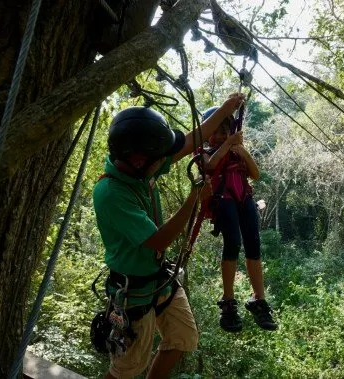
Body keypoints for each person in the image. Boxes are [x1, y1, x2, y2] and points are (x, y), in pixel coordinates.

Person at [93, 94, 244, 379]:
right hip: (134, 293)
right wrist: (194, 197)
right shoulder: (112, 193)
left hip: (159, 280)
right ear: (140, 159)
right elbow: (158, 240)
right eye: (160, 156)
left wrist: (225, 109)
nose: (165, 160)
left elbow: (189, 142)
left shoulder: (140, 168)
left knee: (182, 338)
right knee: (127, 369)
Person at [201, 106, 278, 333]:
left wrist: (242, 151)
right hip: (223, 198)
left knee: (253, 245)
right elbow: (210, 165)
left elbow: (255, 175)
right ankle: (228, 301)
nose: (219, 136)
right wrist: (228, 144)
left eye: (224, 132)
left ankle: (258, 299)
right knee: (233, 242)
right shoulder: (204, 152)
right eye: (214, 132)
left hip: (244, 198)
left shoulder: (237, 152)